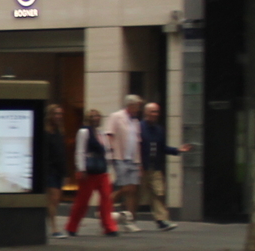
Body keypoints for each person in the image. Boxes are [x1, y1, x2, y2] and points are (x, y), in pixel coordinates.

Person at [65, 106, 118, 236]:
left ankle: (109, 227)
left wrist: (110, 166)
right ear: (88, 119)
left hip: (102, 171)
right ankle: (72, 226)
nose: (96, 118)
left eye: (98, 116)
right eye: (93, 116)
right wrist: (81, 168)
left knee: (106, 198)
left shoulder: (101, 133)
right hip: (89, 172)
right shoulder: (84, 132)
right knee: (83, 201)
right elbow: (80, 151)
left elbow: (106, 151)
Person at [140, 101, 194, 229]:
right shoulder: (138, 127)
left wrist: (177, 150)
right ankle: (124, 218)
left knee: (158, 193)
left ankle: (162, 220)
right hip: (140, 167)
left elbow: (162, 148)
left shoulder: (159, 130)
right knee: (135, 195)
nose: (155, 114)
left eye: (157, 112)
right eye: (153, 111)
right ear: (146, 112)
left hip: (155, 168)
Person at [101, 93, 144, 230]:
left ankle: (130, 220)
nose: (138, 109)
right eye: (137, 106)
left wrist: (140, 163)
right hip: (120, 157)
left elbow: (137, 142)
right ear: (130, 105)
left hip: (133, 159)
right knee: (125, 188)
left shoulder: (135, 121)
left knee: (133, 189)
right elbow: (109, 135)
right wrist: (111, 153)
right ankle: (105, 208)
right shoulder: (116, 116)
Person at [39, 100, 70, 238]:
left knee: (55, 200)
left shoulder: (59, 132)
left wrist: (65, 173)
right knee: (53, 198)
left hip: (58, 170)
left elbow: (61, 154)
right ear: (50, 115)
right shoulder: (45, 133)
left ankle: (47, 224)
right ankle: (54, 228)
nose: (59, 116)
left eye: (60, 114)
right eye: (56, 113)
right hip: (49, 169)